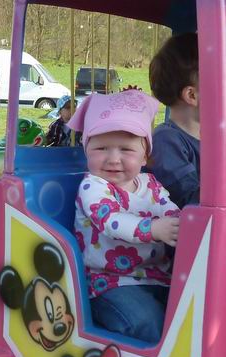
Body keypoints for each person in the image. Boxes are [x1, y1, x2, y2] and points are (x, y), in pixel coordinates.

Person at [69, 90, 181, 343]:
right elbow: (111, 221)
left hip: (156, 276)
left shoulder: (151, 184)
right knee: (147, 323)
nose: (113, 159)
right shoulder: (94, 186)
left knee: (191, 313)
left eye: (126, 149)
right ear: (86, 151)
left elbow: (170, 210)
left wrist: (186, 225)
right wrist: (154, 229)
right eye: (101, 148)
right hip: (107, 281)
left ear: (145, 156)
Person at [148, 32, 200, 209]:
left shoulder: (212, 140)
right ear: (192, 95)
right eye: (225, 85)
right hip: (178, 224)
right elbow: (189, 199)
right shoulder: (166, 140)